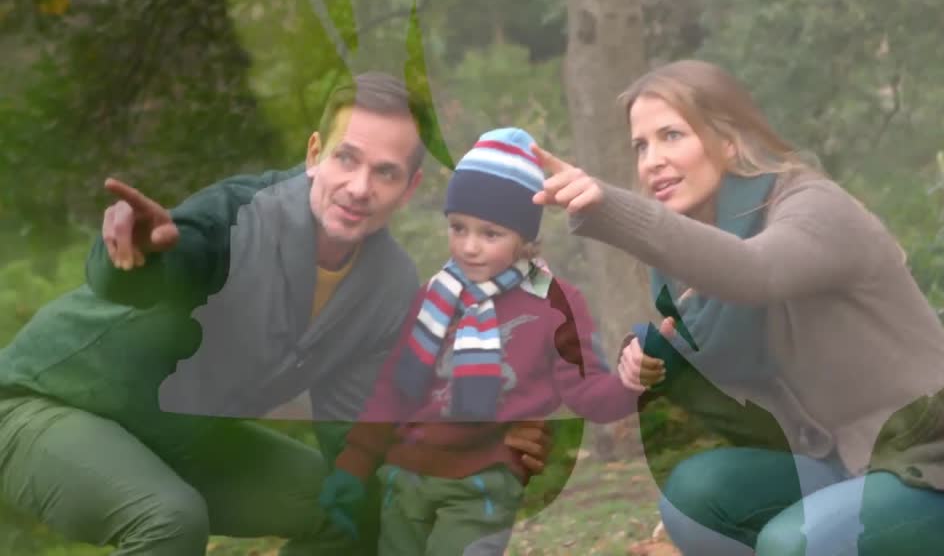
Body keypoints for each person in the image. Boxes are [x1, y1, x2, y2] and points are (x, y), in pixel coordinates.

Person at [0, 73, 553, 556]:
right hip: (42, 403)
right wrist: (138, 253)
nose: (359, 188)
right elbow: (170, 261)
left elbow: (362, 435)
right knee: (168, 520)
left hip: (181, 437)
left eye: (385, 173)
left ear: (409, 189)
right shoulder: (244, 213)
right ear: (315, 155)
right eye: (346, 159)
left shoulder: (387, 288)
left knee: (354, 506)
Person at [532, 59, 944, 555]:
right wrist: (650, 354)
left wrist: (609, 207)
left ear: (728, 140)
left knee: (791, 544)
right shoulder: (703, 254)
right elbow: (726, 369)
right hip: (843, 464)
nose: (651, 160)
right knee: (693, 497)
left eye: (672, 135)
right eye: (641, 145)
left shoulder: (813, 206)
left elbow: (756, 271)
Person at [319, 127, 644, 555]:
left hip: (482, 482)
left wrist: (632, 382)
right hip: (407, 473)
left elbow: (588, 393)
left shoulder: (554, 304)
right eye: (458, 228)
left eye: (491, 234)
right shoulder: (435, 296)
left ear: (525, 238)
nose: (469, 247)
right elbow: (392, 390)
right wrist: (354, 464)